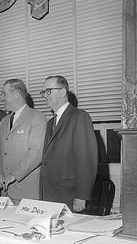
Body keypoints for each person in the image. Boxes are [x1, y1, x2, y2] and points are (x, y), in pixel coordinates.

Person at [39, 75, 98, 211]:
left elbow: (86, 159)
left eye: (49, 91)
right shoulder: (50, 123)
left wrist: (81, 195)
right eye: (43, 92)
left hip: (69, 194)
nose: (45, 95)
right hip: (49, 193)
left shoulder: (79, 117)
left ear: (63, 92)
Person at [0, 79, 47, 204]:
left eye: (4, 94)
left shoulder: (37, 118)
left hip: (27, 193)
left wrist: (13, 175)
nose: (2, 98)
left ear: (17, 94)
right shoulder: (4, 121)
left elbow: (36, 153)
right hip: (5, 193)